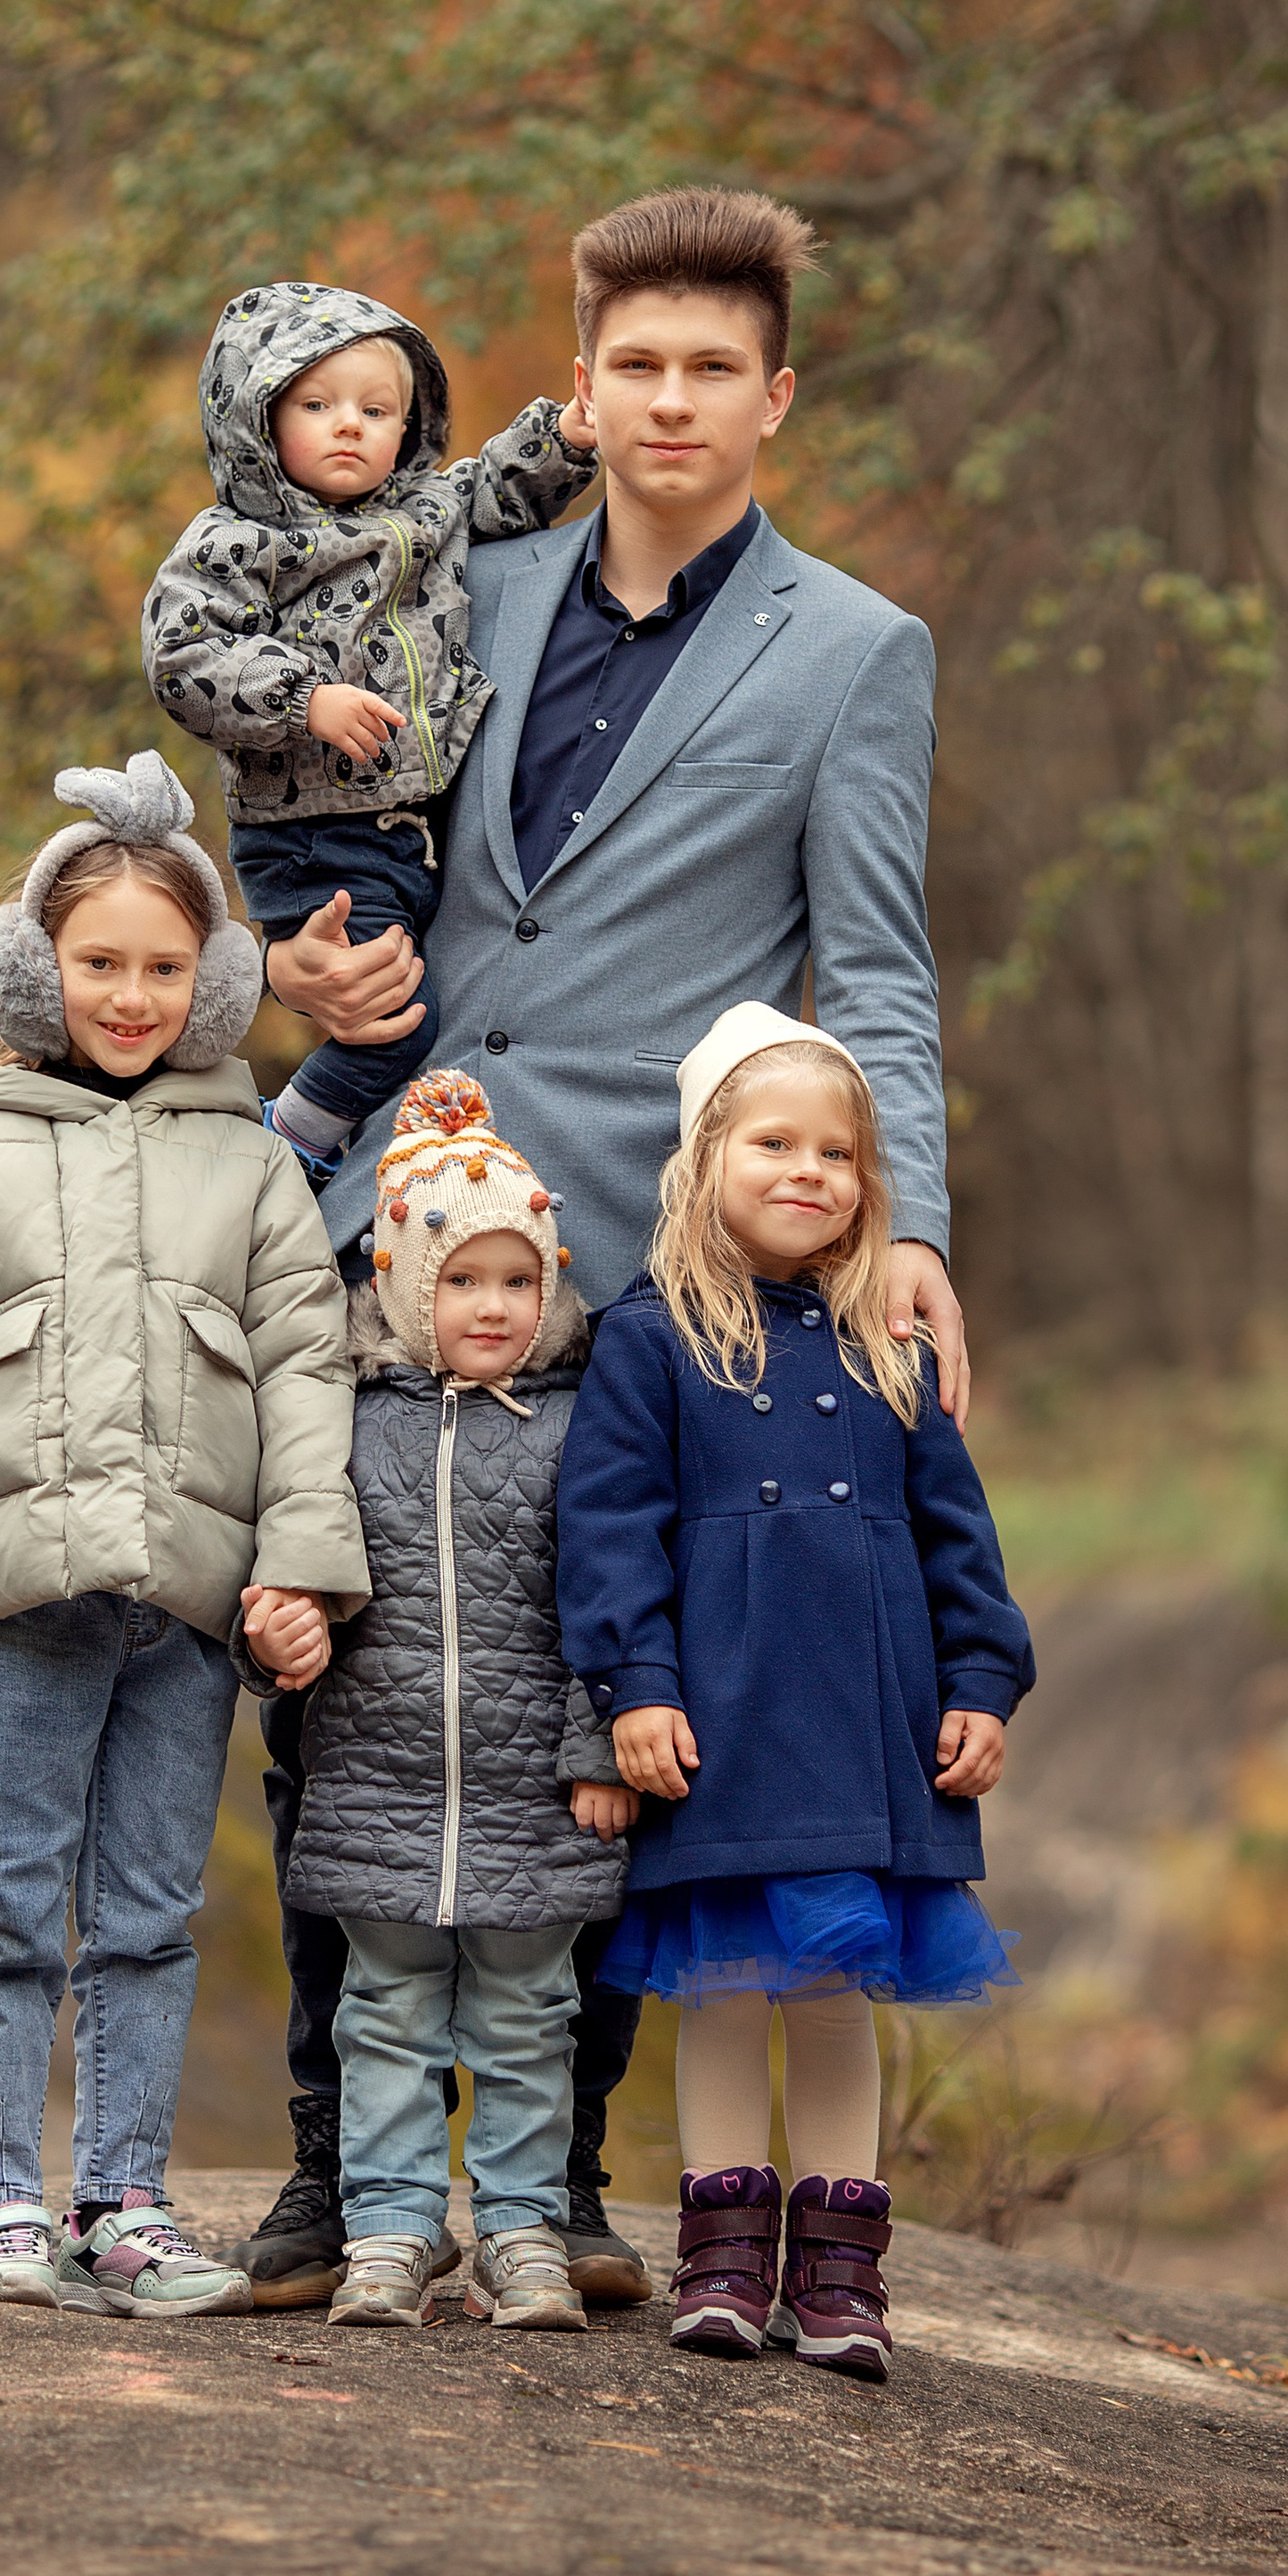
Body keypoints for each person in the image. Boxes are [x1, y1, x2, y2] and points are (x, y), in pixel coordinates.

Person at [238, 185, 970, 2309]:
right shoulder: (458, 566)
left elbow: (879, 969)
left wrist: (899, 1220)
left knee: (601, 1688)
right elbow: (316, 789)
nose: (666, 397)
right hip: (383, 1204)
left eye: (708, 367)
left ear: (773, 398)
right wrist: (289, 933)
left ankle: (555, 2190)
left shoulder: (850, 652)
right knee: (346, 1674)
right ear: (581, 380)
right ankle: (327, 2177)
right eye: (629, 362)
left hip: (627, 1270)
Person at [0, 752, 368, 2316]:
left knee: (146, 1915)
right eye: (97, 965)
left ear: (205, 983)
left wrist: (298, 1567)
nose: (128, 997)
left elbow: (306, 1379)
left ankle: (125, 2202)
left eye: (160, 968)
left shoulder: (252, 1164)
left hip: (188, 1610)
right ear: (34, 967)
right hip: (25, 1604)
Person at [556, 1004, 1034, 2383]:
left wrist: (984, 1682)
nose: (808, 1170)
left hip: (869, 1727)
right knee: (725, 1987)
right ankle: (720, 2259)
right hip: (723, 1723)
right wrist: (634, 1685)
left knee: (831, 1990)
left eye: (837, 1153)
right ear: (706, 1158)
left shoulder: (890, 1344)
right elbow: (605, 1533)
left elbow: (961, 1537)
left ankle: (839, 2279)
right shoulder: (652, 1341)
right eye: (774, 1141)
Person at [250, 1068, 635, 2333]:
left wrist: (601, 1745)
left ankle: (523, 2231)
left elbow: (618, 1605)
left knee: (531, 2019)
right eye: (462, 1279)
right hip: (378, 1784)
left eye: (518, 1280)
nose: (493, 1306)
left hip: (540, 1793)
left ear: (552, 1282)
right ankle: (393, 2227)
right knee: (386, 2018)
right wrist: (280, 1634)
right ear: (402, 1279)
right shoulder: (346, 1425)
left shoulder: (580, 1429)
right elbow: (289, 1578)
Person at [141, 280, 596, 1175]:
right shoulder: (236, 543)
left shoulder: (424, 512)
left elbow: (501, 488)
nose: (349, 424)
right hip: (314, 837)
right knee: (393, 1022)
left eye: (375, 408)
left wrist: (569, 437)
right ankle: (284, 1150)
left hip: (412, 829)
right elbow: (181, 656)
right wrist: (303, 699)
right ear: (259, 423)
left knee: (443, 1006)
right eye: (317, 405)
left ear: (407, 425)